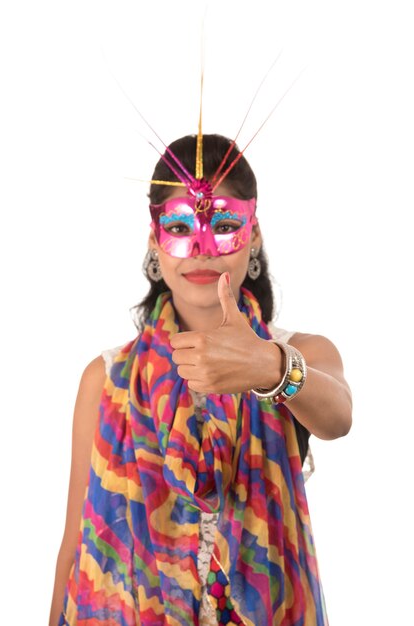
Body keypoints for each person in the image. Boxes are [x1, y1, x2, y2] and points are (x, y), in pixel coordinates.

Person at [49, 133, 352, 626]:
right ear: (154, 239)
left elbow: (339, 415)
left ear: (253, 236)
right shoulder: (105, 379)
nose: (203, 250)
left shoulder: (299, 354)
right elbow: (75, 544)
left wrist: (269, 367)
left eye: (227, 224)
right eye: (180, 226)